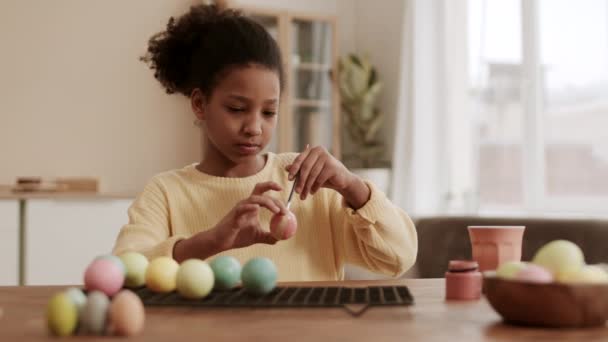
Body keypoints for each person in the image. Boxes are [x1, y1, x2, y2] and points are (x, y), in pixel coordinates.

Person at [112, 4, 417, 281]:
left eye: (269, 112)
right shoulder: (166, 193)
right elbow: (124, 273)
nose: (254, 128)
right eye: (237, 109)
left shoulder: (308, 186)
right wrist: (212, 241)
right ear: (200, 104)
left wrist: (353, 187)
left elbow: (397, 259)